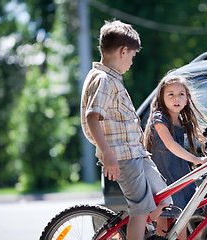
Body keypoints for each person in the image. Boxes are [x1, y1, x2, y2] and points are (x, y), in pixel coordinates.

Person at [80, 20, 172, 240]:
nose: (132, 62)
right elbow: (92, 118)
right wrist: (108, 154)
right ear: (123, 51)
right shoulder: (103, 80)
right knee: (140, 211)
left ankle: (148, 233)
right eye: (132, 56)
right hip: (122, 156)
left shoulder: (113, 79)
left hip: (137, 153)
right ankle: (137, 232)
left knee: (166, 198)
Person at [144, 74, 207, 239]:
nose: (177, 98)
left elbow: (204, 138)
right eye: (171, 94)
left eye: (181, 94)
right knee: (164, 221)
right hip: (163, 177)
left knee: (181, 223)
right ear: (161, 97)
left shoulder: (183, 119)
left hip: (179, 176)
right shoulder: (159, 119)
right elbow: (170, 144)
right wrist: (196, 160)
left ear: (187, 98)